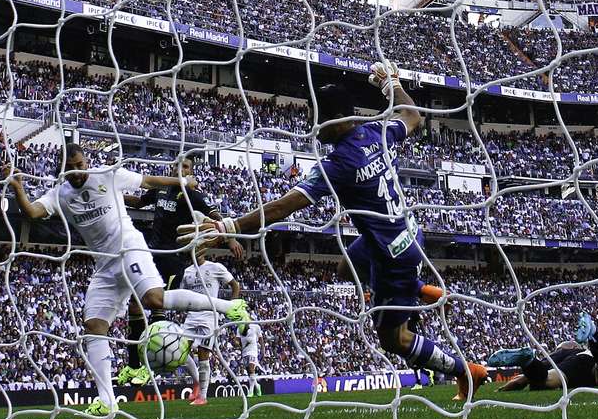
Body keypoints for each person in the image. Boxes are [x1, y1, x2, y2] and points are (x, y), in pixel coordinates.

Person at [178, 62, 488, 401]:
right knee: (344, 268)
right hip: (403, 231)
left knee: (393, 339)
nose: (314, 125)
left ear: (335, 119)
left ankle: (465, 371)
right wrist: (392, 85)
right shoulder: (378, 133)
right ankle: (421, 289)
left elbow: (284, 206)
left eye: (318, 117)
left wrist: (231, 226)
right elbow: (412, 115)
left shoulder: (338, 164)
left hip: (392, 255)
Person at [4, 144, 250, 416]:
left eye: (80, 164)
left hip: (130, 247)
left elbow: (147, 181)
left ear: (87, 162)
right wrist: (17, 188)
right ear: (63, 170)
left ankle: (230, 308)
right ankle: (107, 400)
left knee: (154, 299)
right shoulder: (59, 194)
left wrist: (182, 181)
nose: (77, 171)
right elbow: (33, 212)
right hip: (104, 265)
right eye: (71, 167)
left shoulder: (106, 175)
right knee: (94, 326)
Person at [119, 157, 245, 386]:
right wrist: (116, 197)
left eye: (185, 167)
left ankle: (148, 369)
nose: (180, 169)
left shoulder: (192, 196)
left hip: (173, 258)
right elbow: (138, 202)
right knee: (135, 305)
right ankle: (133, 365)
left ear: (191, 172)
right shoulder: (160, 189)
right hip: (150, 255)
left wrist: (231, 238)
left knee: (156, 305)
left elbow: (215, 217)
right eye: (177, 166)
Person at [488, 312, 598, 391]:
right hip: (593, 359)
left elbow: (522, 379)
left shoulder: (562, 354)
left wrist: (507, 386)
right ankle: (594, 335)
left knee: (543, 381)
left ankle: (529, 361)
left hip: (575, 367)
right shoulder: (575, 350)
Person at [178, 253, 240, 406]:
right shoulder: (187, 271)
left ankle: (202, 397)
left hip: (209, 317)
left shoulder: (215, 267)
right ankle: (197, 382)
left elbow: (235, 285)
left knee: (203, 355)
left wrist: (230, 307)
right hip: (191, 316)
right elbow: (183, 293)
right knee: (179, 352)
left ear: (204, 250)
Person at [239, 322, 264, 397]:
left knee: (251, 368)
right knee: (249, 372)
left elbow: (260, 339)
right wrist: (237, 344)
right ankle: (257, 386)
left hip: (253, 351)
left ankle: (251, 391)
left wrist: (263, 350)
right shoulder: (239, 327)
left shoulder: (256, 326)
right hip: (244, 351)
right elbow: (237, 340)